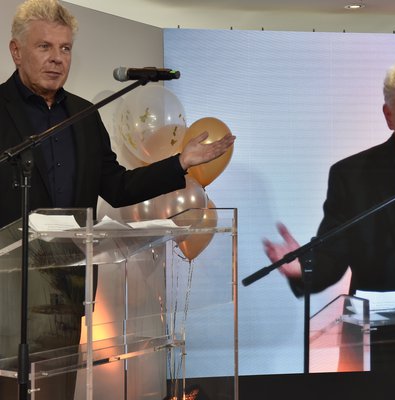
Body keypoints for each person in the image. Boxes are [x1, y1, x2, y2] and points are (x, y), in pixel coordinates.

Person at [0, 0, 235, 398]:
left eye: (65, 48)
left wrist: (180, 162)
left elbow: (118, 186)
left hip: (66, 287)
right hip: (7, 285)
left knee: (56, 390)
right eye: (45, 47)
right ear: (16, 51)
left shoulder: (84, 115)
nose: (57, 58)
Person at [263, 61, 395, 372]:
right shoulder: (352, 175)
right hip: (372, 332)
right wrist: (302, 267)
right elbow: (333, 255)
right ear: (389, 115)